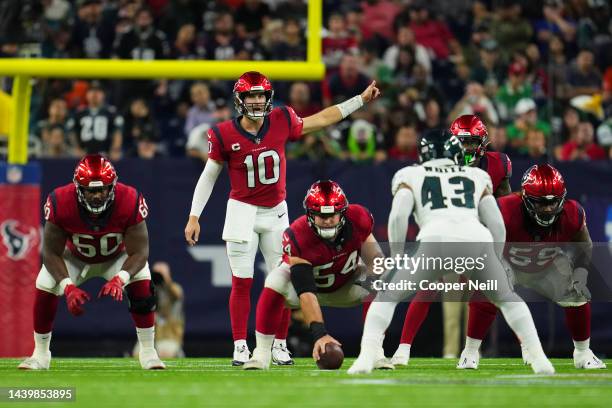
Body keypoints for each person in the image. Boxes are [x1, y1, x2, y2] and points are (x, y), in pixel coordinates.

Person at [184, 71, 380, 365]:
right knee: (242, 281)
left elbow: (322, 119)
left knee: (285, 281)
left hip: (276, 211)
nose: (257, 100)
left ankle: (279, 344)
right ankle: (240, 345)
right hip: (241, 211)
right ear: (240, 99)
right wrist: (194, 215)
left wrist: (360, 101)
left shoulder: (282, 119)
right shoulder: (223, 132)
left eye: (261, 95)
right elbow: (209, 175)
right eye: (251, 95)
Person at [348, 130, 554, 375]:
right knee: (508, 299)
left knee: (386, 296)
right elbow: (497, 223)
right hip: (477, 240)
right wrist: (496, 257)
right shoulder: (476, 175)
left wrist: (397, 256)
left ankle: (365, 358)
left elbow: (398, 216)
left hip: (435, 240)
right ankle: (541, 360)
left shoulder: (411, 174)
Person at [19, 155, 164, 370]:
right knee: (45, 283)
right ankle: (40, 354)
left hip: (115, 257)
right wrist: (67, 287)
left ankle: (148, 351)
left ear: (112, 187)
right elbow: (50, 254)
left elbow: (140, 252)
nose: (97, 196)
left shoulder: (129, 199)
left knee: (141, 277)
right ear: (78, 188)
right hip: (75, 258)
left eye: (102, 189)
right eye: (90, 190)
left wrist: (119, 278)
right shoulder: (60, 200)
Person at [457, 165, 606, 370]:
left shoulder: (572, 213)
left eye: (553, 203)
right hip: (506, 261)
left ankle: (583, 353)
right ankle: (471, 351)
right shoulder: (504, 209)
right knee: (487, 288)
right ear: (525, 198)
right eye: (540, 203)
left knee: (577, 293)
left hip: (547, 264)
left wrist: (580, 274)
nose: (548, 209)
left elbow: (585, 245)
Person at [391, 114, 513, 366]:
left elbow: (506, 205)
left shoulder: (497, 164)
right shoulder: (436, 163)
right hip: (446, 231)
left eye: (472, 142)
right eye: (462, 142)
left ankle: (476, 349)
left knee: (488, 293)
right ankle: (405, 348)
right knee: (428, 287)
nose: (467, 148)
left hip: (478, 235)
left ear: (483, 142)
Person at [242, 181, 390, 370]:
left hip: (346, 286)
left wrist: (375, 282)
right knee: (274, 280)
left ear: (343, 213)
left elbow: (375, 260)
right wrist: (320, 334)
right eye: (321, 215)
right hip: (309, 291)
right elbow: (306, 291)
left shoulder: (359, 218)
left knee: (383, 278)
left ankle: (375, 351)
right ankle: (261, 354)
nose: (327, 220)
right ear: (310, 215)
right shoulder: (298, 234)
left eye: (332, 215)